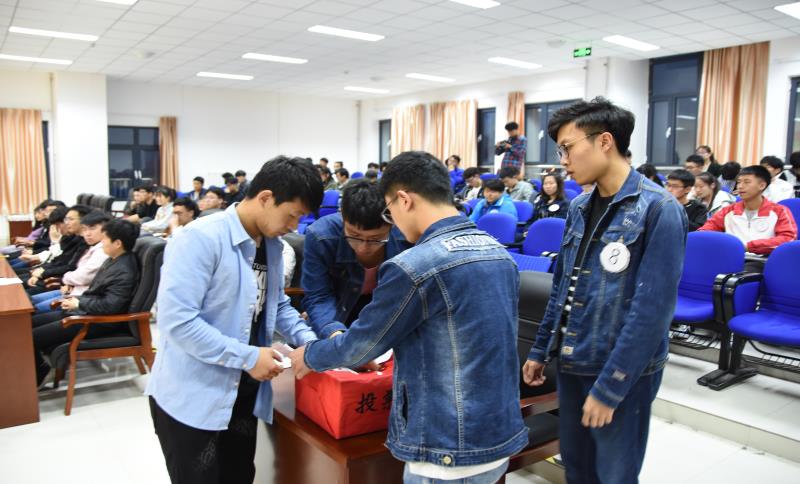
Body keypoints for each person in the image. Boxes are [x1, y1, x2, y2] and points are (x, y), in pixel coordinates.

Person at [289, 151, 528, 483]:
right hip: (498, 435)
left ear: (404, 200)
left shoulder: (416, 265)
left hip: (444, 447)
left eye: (389, 211)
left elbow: (361, 346)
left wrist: (309, 355)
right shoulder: (498, 251)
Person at [523, 97, 687, 484]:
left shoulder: (658, 209)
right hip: (572, 357)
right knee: (578, 467)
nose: (563, 161)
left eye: (568, 147)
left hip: (621, 369)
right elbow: (563, 285)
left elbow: (652, 312)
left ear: (605, 141)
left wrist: (611, 387)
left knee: (615, 474)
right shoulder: (580, 206)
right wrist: (540, 348)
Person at [145, 156, 323, 484]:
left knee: (239, 475)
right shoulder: (200, 239)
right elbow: (178, 322)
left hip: (242, 391)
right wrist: (248, 356)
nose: (295, 226)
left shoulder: (272, 245)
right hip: (194, 395)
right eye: (292, 215)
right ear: (266, 198)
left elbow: (277, 305)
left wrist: (314, 344)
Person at [32, 218, 140, 387]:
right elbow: (96, 293)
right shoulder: (113, 259)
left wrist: (79, 304)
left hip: (96, 322)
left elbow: (110, 306)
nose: (101, 243)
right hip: (86, 312)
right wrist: (77, 301)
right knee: (28, 322)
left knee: (32, 337)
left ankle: (39, 374)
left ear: (117, 243)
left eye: (105, 239)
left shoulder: (124, 271)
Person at [302, 179, 411, 339]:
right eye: (354, 236)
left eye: (376, 239)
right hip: (336, 312)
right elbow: (318, 296)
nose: (363, 248)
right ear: (343, 215)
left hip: (385, 317)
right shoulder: (321, 237)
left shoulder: (407, 236)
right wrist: (335, 335)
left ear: (392, 222)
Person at [700, 165, 797, 269]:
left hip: (763, 261)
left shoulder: (779, 211)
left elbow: (787, 239)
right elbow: (705, 231)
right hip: (730, 257)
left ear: (762, 185)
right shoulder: (728, 210)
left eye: (746, 182)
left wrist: (749, 246)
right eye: (739, 182)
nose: (740, 186)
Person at [28, 211, 111, 314]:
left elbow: (82, 276)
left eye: (92, 228)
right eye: (85, 229)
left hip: (80, 298)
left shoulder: (103, 251)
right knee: (30, 302)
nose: (87, 233)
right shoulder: (91, 245)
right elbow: (75, 269)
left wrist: (66, 280)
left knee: (31, 310)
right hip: (72, 289)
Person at [23, 205, 92, 289]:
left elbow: (71, 267)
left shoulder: (85, 241)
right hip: (59, 277)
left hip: (64, 282)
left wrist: (43, 273)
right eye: (66, 220)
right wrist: (41, 270)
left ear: (83, 220)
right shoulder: (75, 237)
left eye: (70, 219)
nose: (67, 223)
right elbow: (60, 259)